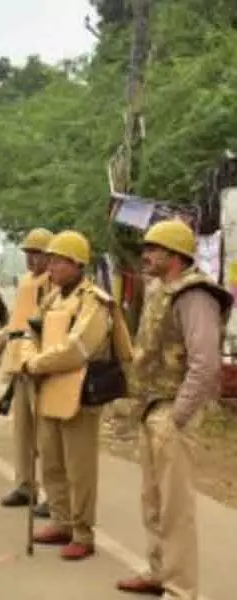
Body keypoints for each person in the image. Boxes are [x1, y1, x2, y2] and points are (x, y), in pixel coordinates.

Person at [116, 220, 232, 598]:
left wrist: (178, 415)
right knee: (153, 500)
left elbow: (205, 363)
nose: (146, 255)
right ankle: (159, 572)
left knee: (175, 508)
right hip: (152, 407)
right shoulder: (158, 291)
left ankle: (181, 589)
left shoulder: (194, 295)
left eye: (153, 249)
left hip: (174, 411)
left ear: (175, 255)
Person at [23, 230, 113, 561]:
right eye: (51, 261)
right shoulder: (53, 298)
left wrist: (36, 362)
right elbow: (32, 329)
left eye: (58, 261)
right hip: (49, 387)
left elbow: (77, 348)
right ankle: (60, 521)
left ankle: (83, 532)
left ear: (77, 264)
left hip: (79, 391)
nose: (52, 267)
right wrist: (29, 356)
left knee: (80, 467)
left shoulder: (94, 301)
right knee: (51, 460)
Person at [0, 228, 54, 515]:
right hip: (18, 362)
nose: (31, 259)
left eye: (36, 254)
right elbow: (16, 321)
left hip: (41, 364)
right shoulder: (26, 283)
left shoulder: (53, 286)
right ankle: (25, 484)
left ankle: (54, 494)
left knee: (46, 436)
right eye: (28, 254)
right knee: (22, 430)